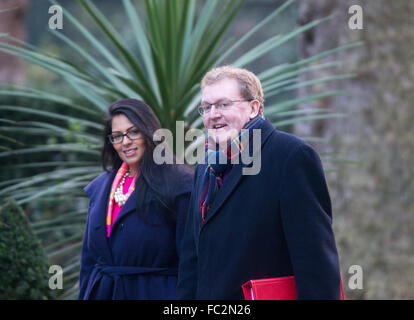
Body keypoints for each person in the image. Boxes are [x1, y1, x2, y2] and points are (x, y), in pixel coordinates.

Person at [177, 66, 342, 299]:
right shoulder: (206, 167)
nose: (213, 114)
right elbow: (191, 260)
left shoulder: (291, 156)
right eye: (206, 107)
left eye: (224, 104)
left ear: (254, 108)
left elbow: (316, 264)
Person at [78, 99, 193, 300]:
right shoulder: (100, 188)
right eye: (117, 136)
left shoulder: (180, 184)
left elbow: (191, 262)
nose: (125, 142)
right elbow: (88, 261)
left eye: (133, 132)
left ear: (150, 132)